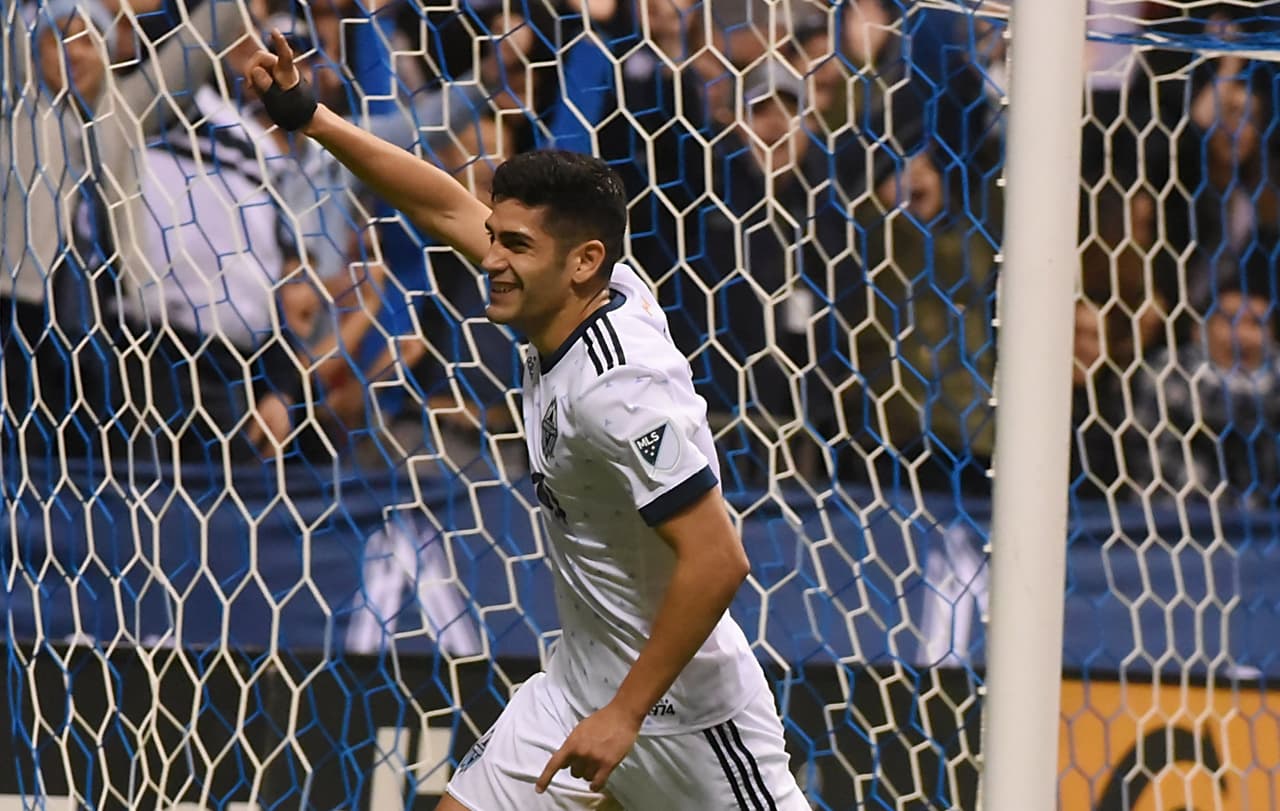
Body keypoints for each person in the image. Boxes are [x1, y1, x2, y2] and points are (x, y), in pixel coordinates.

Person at [244, 31, 807, 811]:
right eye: (494, 238)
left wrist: (624, 714)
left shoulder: (622, 388)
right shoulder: (579, 289)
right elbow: (442, 201)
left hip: (684, 717)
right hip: (576, 688)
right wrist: (313, 118)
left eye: (513, 245)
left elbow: (719, 558)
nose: (490, 259)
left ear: (583, 261)